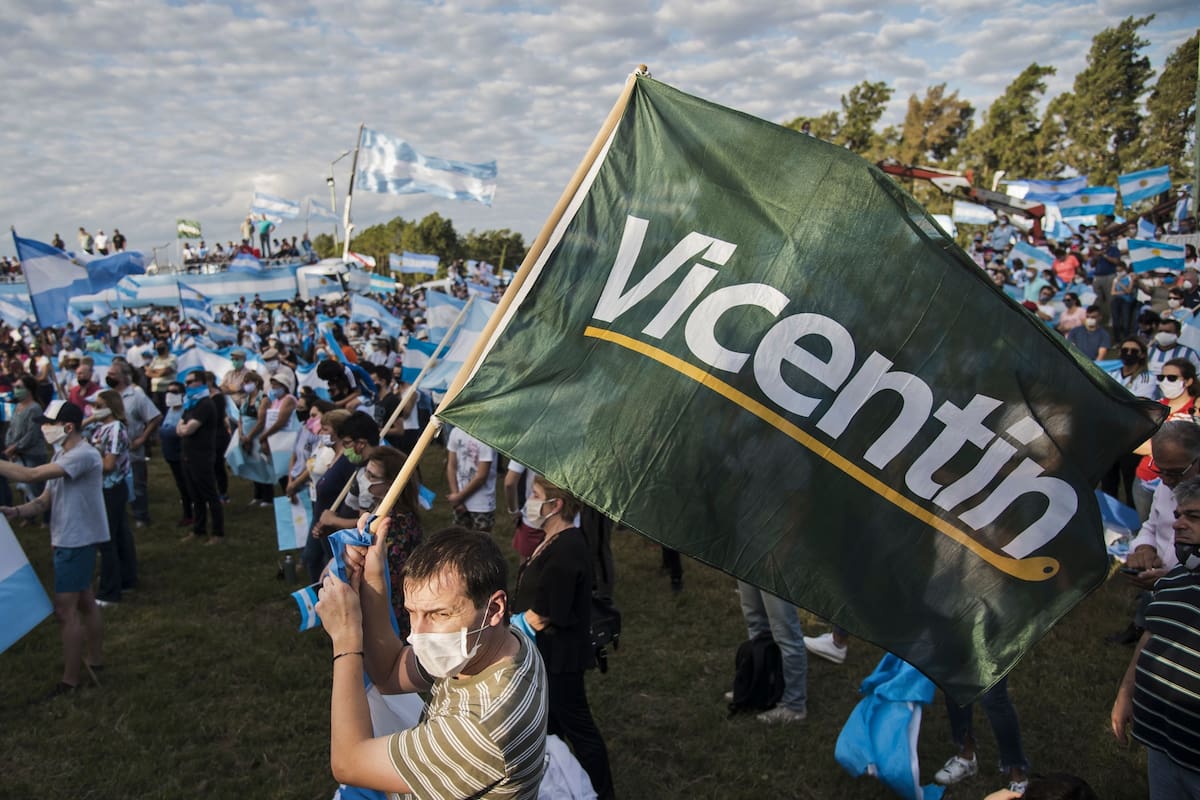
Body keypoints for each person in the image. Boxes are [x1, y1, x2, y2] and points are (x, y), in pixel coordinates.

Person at [315, 525, 548, 797]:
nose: (418, 635)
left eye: (439, 614)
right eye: (412, 612)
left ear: (494, 608)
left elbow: (348, 764)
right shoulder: (501, 642)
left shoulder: (480, 726)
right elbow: (390, 673)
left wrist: (346, 640)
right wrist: (374, 577)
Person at [509, 476, 612, 798]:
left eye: (536, 495)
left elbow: (546, 612)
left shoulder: (568, 548)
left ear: (557, 505)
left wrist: (510, 629)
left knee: (579, 730)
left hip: (560, 658)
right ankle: (560, 784)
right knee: (550, 727)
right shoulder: (553, 538)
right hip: (546, 656)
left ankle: (601, 792)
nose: (530, 500)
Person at [0, 400, 108, 698]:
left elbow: (32, 476)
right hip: (68, 537)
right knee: (85, 600)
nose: (45, 430)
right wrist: (18, 511)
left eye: (48, 424)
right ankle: (95, 660)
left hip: (76, 540)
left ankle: (71, 681)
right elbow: (47, 498)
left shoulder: (83, 455)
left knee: (65, 610)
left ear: (68, 427)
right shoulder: (64, 452)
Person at [1112, 474, 1200, 798]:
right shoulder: (1173, 580)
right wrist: (1125, 694)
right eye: (1178, 516)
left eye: (1193, 517)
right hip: (1161, 746)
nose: (1177, 525)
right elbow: (1153, 632)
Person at [361, 445, 424, 634]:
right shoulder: (380, 506)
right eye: (366, 472)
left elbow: (393, 573)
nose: (365, 480)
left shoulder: (397, 524)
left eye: (372, 476)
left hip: (392, 605)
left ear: (391, 483)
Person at [732, 579, 810, 724]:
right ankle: (761, 686)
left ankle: (794, 705)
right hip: (749, 558)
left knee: (786, 632)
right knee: (755, 622)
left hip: (776, 562)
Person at [84, 390, 135, 607]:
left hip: (111, 487)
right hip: (105, 488)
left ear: (111, 406)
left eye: (99, 404)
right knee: (121, 535)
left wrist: (89, 458)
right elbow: (79, 429)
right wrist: (91, 418)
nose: (95, 408)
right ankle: (126, 578)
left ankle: (109, 592)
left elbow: (108, 464)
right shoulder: (100, 427)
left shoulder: (115, 430)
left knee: (107, 540)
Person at [107, 361, 161, 528]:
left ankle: (141, 516)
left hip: (132, 448)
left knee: (137, 484)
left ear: (124, 377)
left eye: (113, 374)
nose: (109, 377)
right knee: (114, 484)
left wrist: (143, 438)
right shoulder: (107, 396)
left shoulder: (136, 396)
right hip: (111, 451)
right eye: (108, 374)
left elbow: (155, 417)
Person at [177, 371, 224, 544]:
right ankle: (199, 528)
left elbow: (189, 429)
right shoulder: (191, 405)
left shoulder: (205, 404)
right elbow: (180, 426)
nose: (187, 385)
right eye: (186, 382)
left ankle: (218, 532)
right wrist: (183, 428)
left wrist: (184, 429)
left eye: (191, 382)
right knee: (195, 495)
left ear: (202, 382)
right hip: (188, 454)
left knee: (210, 494)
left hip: (202, 455)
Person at [4, 375, 48, 506]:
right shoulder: (18, 406)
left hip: (32, 453)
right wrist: (9, 443)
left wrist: (15, 447)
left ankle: (45, 517)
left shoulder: (35, 408)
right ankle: (29, 516)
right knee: (23, 487)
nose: (15, 390)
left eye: (19, 387)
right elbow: (11, 427)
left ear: (29, 390)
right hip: (18, 452)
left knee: (37, 487)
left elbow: (32, 433)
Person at [446, 426, 496, 533]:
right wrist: (457, 496)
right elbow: (451, 466)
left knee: (481, 544)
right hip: (461, 500)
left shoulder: (486, 436)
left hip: (481, 503)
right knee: (460, 542)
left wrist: (458, 497)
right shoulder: (456, 432)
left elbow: (481, 476)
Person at [158, 380, 192, 526]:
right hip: (170, 454)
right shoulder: (170, 410)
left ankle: (191, 514)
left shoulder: (186, 410)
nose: (170, 395)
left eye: (174, 392)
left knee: (187, 485)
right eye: (168, 392)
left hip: (182, 454)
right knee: (181, 485)